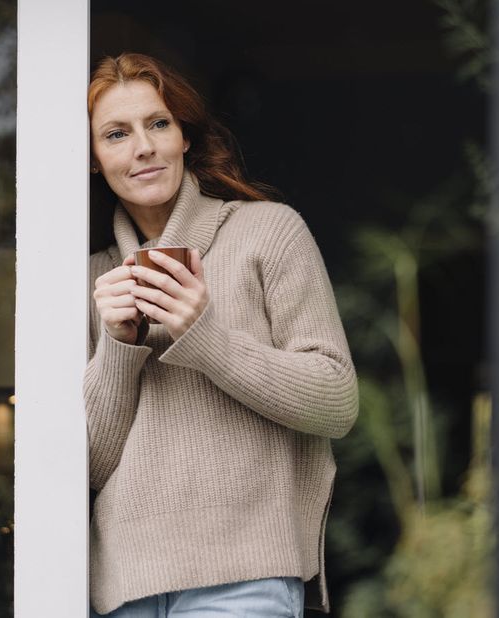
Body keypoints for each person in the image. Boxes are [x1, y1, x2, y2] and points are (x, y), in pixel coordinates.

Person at [85, 52, 358, 617]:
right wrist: (118, 346)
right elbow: (85, 466)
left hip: (246, 576)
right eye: (116, 134)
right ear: (93, 160)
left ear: (184, 135)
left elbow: (336, 401)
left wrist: (204, 336)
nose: (143, 147)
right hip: (122, 584)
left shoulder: (268, 231)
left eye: (158, 123)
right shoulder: (93, 279)